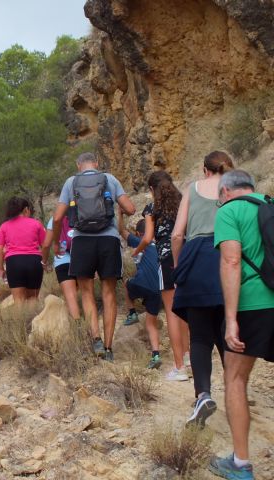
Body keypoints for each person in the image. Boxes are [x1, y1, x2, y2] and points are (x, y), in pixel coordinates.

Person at [209, 169, 274, 480]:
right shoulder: (270, 205)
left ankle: (240, 464)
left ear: (224, 192)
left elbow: (231, 260)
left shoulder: (229, 211)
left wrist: (231, 319)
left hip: (252, 304)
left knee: (235, 378)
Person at [43, 152, 136, 362]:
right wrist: (119, 209)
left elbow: (57, 217)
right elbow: (131, 208)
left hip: (82, 241)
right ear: (96, 163)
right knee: (109, 293)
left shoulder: (71, 182)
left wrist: (56, 242)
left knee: (86, 292)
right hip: (108, 240)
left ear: (78, 165)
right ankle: (109, 348)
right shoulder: (109, 179)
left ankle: (96, 339)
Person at [172, 151, 235, 425]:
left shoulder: (193, 189)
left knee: (199, 337)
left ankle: (203, 395)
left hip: (196, 259)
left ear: (205, 169)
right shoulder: (235, 188)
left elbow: (177, 234)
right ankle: (235, 392)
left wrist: (179, 266)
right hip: (227, 256)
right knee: (227, 331)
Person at [132, 171, 190, 381]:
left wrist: (137, 250)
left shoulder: (152, 208)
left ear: (151, 189)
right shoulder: (183, 202)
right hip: (187, 258)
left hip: (167, 260)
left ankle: (179, 368)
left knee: (172, 313)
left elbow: (148, 237)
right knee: (185, 312)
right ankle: (190, 358)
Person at [118, 211, 162, 369]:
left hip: (143, 283)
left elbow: (121, 231)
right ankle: (155, 355)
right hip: (159, 289)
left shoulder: (139, 241)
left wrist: (119, 213)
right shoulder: (160, 247)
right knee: (151, 323)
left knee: (126, 283)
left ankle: (132, 313)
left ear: (138, 233)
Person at [0, 197, 46, 303]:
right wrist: (44, 262)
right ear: (26, 209)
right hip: (34, 261)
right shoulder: (36, 223)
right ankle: (33, 314)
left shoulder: (4, 226)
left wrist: (1, 269)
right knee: (33, 298)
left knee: (18, 300)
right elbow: (45, 245)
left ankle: (21, 315)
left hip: (14, 262)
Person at [43, 215, 80, 319]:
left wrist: (44, 261)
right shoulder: (83, 212)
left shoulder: (55, 218)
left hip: (62, 255)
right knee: (87, 294)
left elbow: (46, 245)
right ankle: (91, 323)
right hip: (82, 254)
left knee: (70, 295)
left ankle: (77, 323)